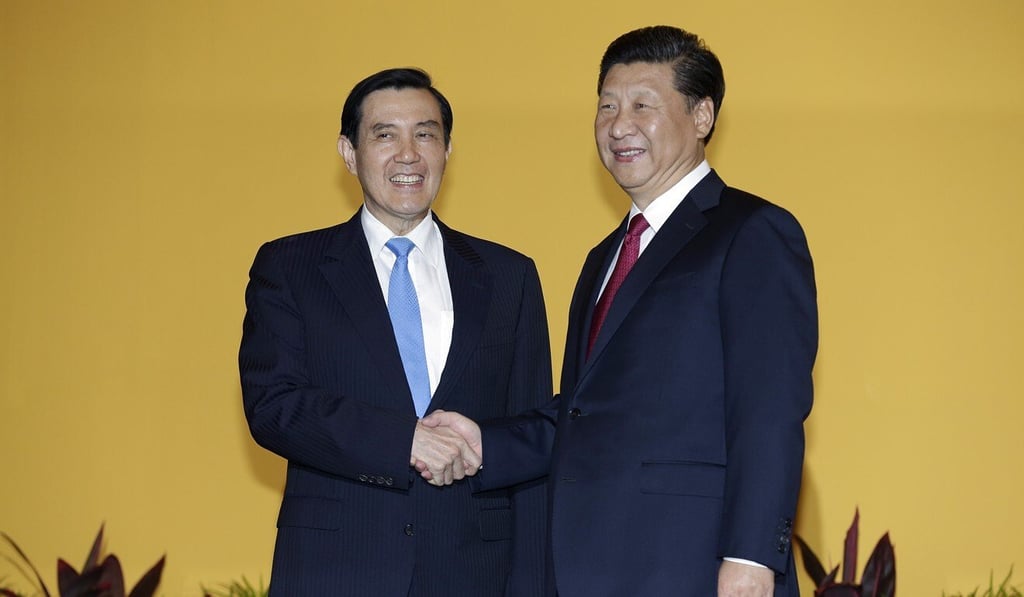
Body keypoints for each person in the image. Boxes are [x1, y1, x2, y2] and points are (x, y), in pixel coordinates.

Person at [423, 26, 818, 596]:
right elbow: (585, 413)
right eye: (607, 106)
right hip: (593, 567)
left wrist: (752, 558)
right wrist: (487, 442)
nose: (618, 125)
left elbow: (769, 409)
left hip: (696, 567)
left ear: (702, 115)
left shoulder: (751, 232)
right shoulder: (605, 257)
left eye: (642, 105)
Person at [238, 67, 552, 596]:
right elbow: (274, 405)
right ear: (349, 152)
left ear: (447, 150)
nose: (409, 155)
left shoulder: (508, 276)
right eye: (385, 135)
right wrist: (403, 440)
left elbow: (532, 434)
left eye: (425, 135)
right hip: (335, 570)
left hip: (474, 572)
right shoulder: (291, 266)